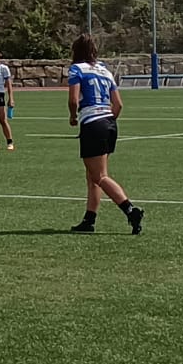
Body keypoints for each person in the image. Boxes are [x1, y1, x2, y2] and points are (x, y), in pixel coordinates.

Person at [68, 34, 144, 234]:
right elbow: (118, 104)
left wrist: (73, 117)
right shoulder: (104, 70)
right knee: (92, 175)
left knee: (100, 176)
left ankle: (130, 210)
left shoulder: (76, 69)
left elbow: (73, 100)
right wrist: (108, 121)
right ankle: (89, 220)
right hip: (109, 122)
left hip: (93, 123)